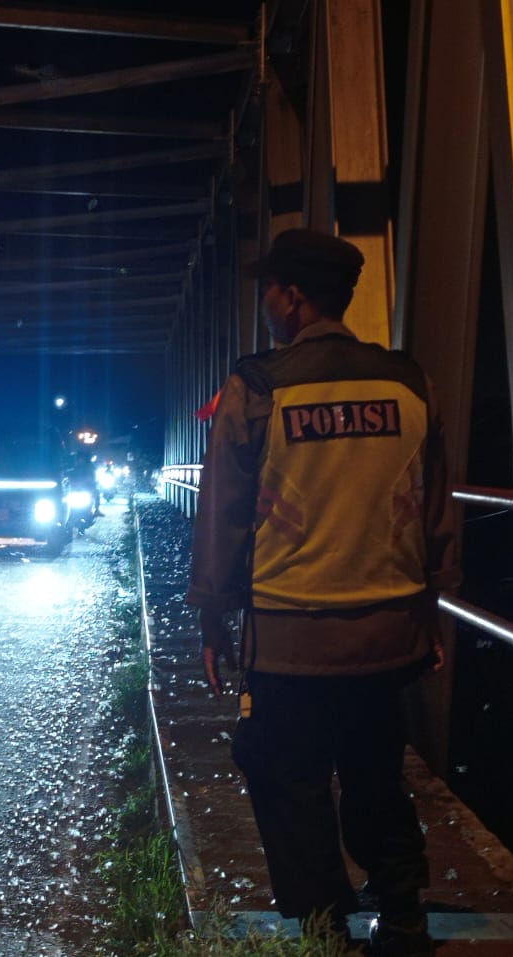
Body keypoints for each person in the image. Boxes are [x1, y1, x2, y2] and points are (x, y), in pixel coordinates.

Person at [186, 228, 460, 956]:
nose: (267, 304)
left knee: (283, 772)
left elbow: (225, 513)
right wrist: (431, 613)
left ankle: (324, 926)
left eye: (269, 290)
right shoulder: (408, 381)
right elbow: (436, 514)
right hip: (388, 631)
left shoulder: (261, 386)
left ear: (293, 296)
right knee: (376, 769)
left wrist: (214, 615)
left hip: (292, 634)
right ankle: (402, 915)